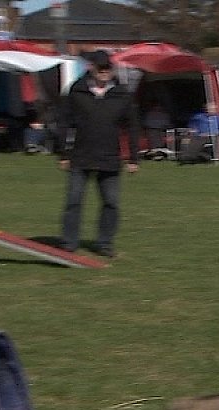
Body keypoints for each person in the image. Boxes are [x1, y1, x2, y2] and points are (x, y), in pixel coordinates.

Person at [57, 50, 139, 258]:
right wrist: (63, 154)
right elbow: (63, 122)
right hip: (80, 155)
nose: (104, 72)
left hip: (110, 157)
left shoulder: (122, 94)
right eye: (100, 68)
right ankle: (69, 243)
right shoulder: (76, 91)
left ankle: (104, 243)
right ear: (91, 68)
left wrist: (133, 158)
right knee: (74, 201)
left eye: (107, 68)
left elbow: (132, 126)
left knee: (111, 202)